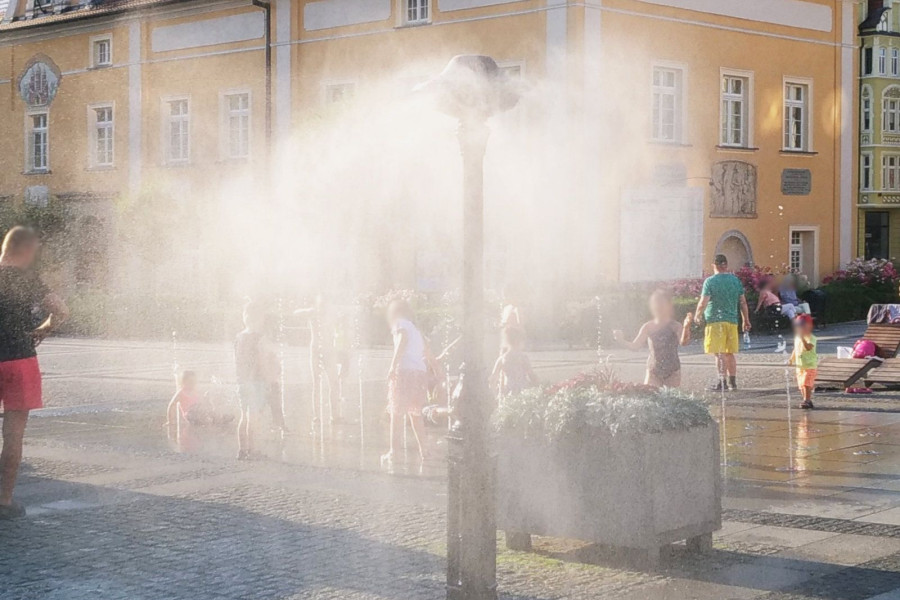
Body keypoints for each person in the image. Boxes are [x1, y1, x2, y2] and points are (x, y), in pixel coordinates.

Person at [0, 226, 68, 519]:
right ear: (25, 250)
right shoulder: (30, 279)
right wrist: (43, 330)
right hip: (20, 360)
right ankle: (3, 501)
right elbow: (61, 310)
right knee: (13, 435)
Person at [614, 290, 693, 388]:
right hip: (653, 371)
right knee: (651, 397)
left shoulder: (675, 326)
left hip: (673, 371)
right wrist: (621, 340)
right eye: (656, 304)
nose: (658, 307)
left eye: (661, 304)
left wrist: (686, 327)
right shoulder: (648, 326)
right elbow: (635, 346)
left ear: (669, 306)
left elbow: (684, 342)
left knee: (671, 400)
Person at [695, 255, 751, 391]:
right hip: (732, 322)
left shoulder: (710, 281)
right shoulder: (735, 280)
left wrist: (697, 315)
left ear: (714, 265)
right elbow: (743, 302)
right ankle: (733, 382)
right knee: (729, 353)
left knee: (719, 353)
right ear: (726, 265)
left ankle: (722, 382)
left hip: (715, 322)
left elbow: (703, 302)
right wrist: (746, 320)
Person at [384, 299, 428, 463]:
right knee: (415, 413)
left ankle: (393, 452)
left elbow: (402, 340)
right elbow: (426, 350)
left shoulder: (400, 323)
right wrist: (437, 369)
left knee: (397, 413)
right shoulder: (415, 328)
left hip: (405, 371)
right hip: (419, 373)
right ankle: (425, 450)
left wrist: (392, 365)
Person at [234, 300, 279, 460]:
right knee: (254, 418)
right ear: (260, 319)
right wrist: (268, 380)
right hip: (256, 382)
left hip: (242, 382)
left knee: (243, 416)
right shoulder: (260, 338)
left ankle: (242, 449)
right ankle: (253, 450)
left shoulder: (239, 337)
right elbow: (262, 361)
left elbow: (237, 360)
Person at [294, 294, 338, 426]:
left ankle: (334, 415)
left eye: (325, 304)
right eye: (321, 304)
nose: (323, 307)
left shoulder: (331, 314)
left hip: (329, 351)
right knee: (317, 383)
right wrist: (309, 311)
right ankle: (317, 416)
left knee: (333, 383)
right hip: (316, 351)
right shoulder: (313, 314)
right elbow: (295, 313)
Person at [490, 326, 539, 397]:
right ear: (519, 341)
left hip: (508, 391)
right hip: (522, 391)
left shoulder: (502, 359)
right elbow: (531, 375)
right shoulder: (523, 358)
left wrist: (495, 393)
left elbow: (493, 379)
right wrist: (537, 385)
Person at [790, 314, 817, 410]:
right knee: (801, 384)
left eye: (803, 326)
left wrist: (802, 339)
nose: (800, 328)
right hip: (800, 366)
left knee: (806, 383)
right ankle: (806, 399)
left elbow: (808, 348)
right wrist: (791, 359)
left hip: (809, 366)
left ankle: (807, 400)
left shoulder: (811, 338)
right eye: (798, 326)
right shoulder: (797, 337)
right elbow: (795, 349)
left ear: (809, 326)